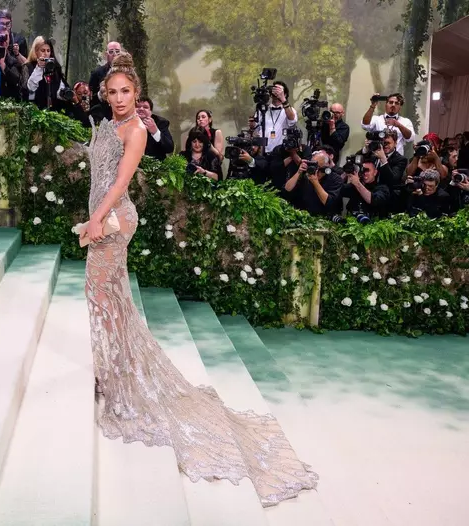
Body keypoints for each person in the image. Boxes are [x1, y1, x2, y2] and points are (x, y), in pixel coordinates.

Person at [81, 52, 317, 507]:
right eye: (112, 93)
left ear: (138, 94)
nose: (119, 99)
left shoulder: (134, 131)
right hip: (103, 217)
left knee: (101, 294)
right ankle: (114, 372)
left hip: (112, 219)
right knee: (109, 297)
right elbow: (99, 172)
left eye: (126, 91)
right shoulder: (109, 125)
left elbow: (119, 184)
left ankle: (116, 376)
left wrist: (95, 220)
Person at [136, 97, 174, 161]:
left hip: (155, 167)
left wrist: (155, 132)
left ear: (151, 112)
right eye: (138, 106)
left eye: (145, 107)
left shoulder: (161, 122)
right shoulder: (125, 123)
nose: (141, 109)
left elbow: (169, 148)